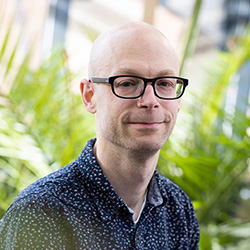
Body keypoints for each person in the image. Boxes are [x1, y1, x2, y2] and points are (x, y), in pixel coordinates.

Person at [0, 21, 199, 249]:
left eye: (164, 83)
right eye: (127, 83)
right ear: (89, 96)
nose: (150, 101)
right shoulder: (42, 213)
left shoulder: (178, 210)